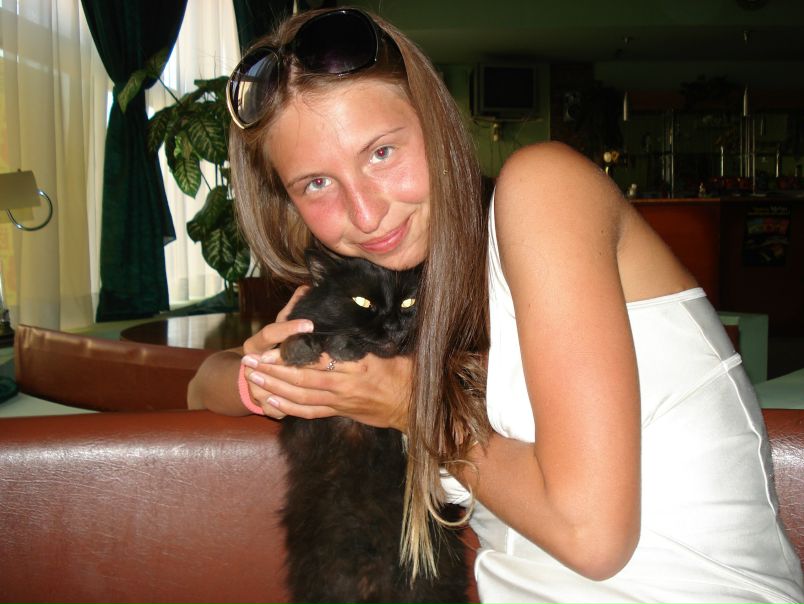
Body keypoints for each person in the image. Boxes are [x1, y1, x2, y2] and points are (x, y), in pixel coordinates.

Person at [187, 7, 804, 603]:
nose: (366, 213)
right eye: (317, 183)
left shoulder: (545, 189)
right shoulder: (411, 291)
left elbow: (594, 539)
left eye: (381, 152)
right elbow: (202, 386)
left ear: (435, 122)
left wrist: (409, 406)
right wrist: (268, 377)